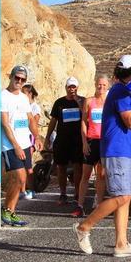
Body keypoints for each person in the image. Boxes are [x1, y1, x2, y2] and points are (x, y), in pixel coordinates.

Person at [75, 55, 131, 257]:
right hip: (117, 150)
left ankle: (121, 244)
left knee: (124, 198)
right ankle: (84, 227)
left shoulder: (122, 91)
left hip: (121, 149)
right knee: (122, 196)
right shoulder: (120, 92)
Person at [44, 77, 85, 207]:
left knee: (78, 167)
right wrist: (47, 137)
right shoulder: (59, 103)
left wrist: (79, 104)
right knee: (61, 167)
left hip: (78, 140)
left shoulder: (83, 101)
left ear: (77, 88)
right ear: (66, 88)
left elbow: (87, 117)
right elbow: (53, 121)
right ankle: (63, 193)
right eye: (69, 87)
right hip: (62, 140)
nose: (71, 89)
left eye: (74, 87)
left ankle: (78, 193)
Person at [0, 65, 32, 227]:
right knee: (19, 177)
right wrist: (16, 146)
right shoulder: (3, 96)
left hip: (25, 143)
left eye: (22, 79)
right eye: (17, 78)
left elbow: (29, 119)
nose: (19, 81)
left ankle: (11, 211)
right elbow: (5, 124)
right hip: (10, 145)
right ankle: (5, 209)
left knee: (23, 179)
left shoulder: (24, 98)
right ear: (11, 77)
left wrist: (36, 138)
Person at [79, 74, 109, 215]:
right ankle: (80, 205)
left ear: (107, 86)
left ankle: (99, 204)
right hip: (91, 141)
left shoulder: (109, 102)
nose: (101, 87)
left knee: (101, 175)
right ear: (95, 84)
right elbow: (84, 121)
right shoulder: (89, 101)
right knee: (86, 175)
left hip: (104, 141)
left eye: (104, 85)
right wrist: (84, 142)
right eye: (99, 84)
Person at [20, 83, 43, 200]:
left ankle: (32, 189)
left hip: (30, 138)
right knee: (22, 166)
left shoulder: (34, 107)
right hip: (22, 137)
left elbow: (34, 122)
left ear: (30, 94)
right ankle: (23, 190)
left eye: (24, 93)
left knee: (28, 166)